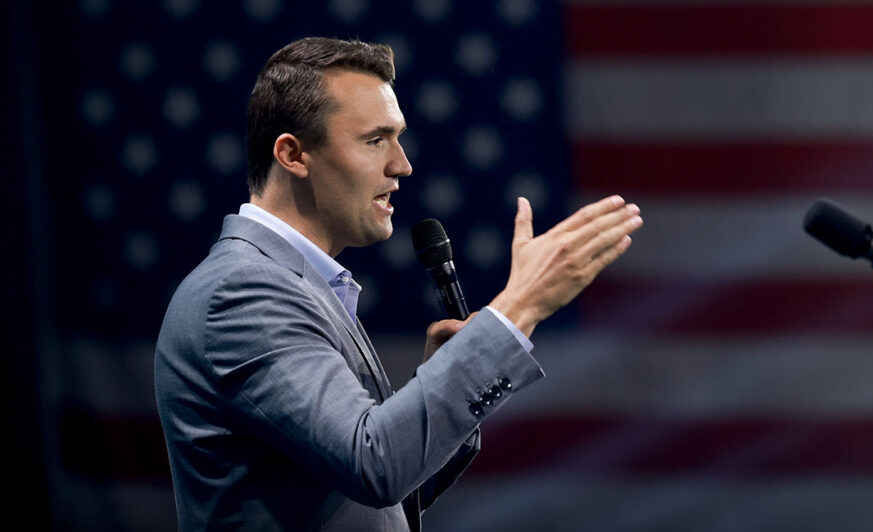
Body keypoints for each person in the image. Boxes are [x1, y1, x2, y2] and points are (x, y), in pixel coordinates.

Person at [154, 36, 642, 531]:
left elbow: (379, 503)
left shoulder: (295, 286)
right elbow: (376, 465)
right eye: (374, 140)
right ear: (293, 154)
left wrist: (442, 376)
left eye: (398, 137)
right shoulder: (241, 294)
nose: (401, 165)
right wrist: (522, 305)